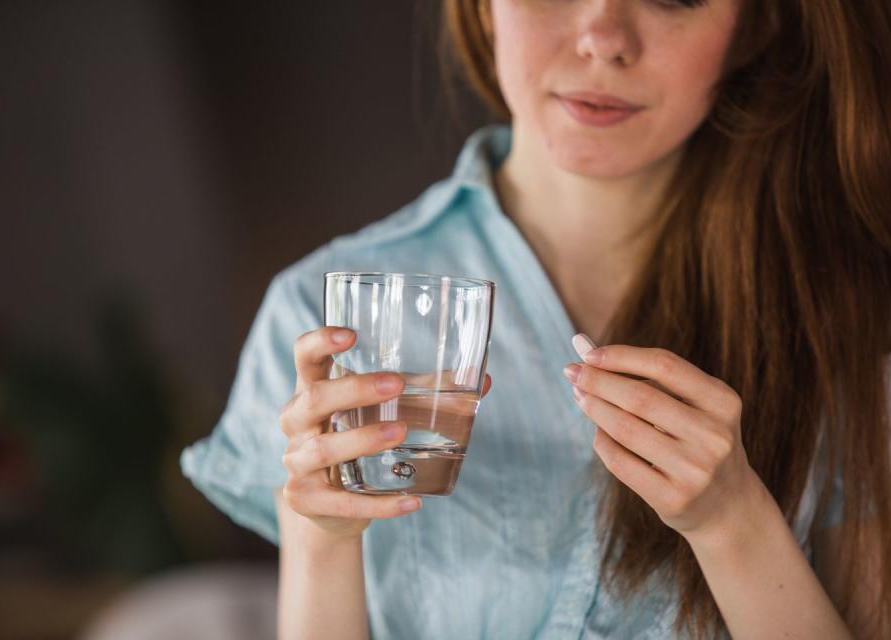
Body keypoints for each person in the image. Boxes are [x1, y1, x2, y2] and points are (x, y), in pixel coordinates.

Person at [181, 0, 891, 637]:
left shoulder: (840, 323)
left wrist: (733, 521)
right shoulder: (318, 313)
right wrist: (320, 537)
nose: (604, 37)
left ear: (754, 26)